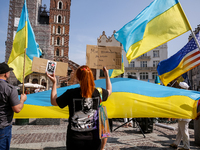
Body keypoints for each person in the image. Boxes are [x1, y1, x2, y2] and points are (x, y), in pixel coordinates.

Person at [47, 65, 112, 150]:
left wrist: (54, 83)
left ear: (78, 78)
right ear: (91, 77)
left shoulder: (71, 93)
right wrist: (106, 75)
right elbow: (109, 90)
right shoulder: (98, 92)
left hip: (75, 140)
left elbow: (53, 101)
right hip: (94, 140)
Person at [0, 62, 27, 150]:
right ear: (6, 74)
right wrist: (22, 100)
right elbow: (17, 109)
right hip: (3, 126)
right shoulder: (9, 89)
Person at [170, 82, 191, 150]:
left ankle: (186, 147)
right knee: (180, 131)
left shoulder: (183, 96)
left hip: (183, 117)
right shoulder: (186, 95)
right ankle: (176, 143)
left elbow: (180, 108)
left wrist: (175, 116)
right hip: (183, 117)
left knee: (184, 132)